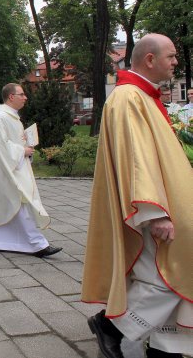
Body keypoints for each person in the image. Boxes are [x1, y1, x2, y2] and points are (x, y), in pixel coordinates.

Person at [82, 34, 192, 358]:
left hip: (167, 208)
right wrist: (154, 213)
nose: (176, 62)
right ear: (149, 59)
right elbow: (137, 158)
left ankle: (166, 347)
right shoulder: (129, 97)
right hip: (153, 212)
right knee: (163, 277)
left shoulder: (142, 96)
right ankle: (110, 327)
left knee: (168, 275)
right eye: (171, 56)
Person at [0, 83, 62, 258]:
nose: (25, 97)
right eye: (21, 94)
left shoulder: (13, 117)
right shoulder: (1, 118)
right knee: (21, 202)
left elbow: (12, 142)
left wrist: (27, 148)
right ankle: (38, 244)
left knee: (3, 206)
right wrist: (23, 150)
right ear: (11, 97)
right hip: (8, 170)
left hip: (18, 167)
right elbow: (1, 147)